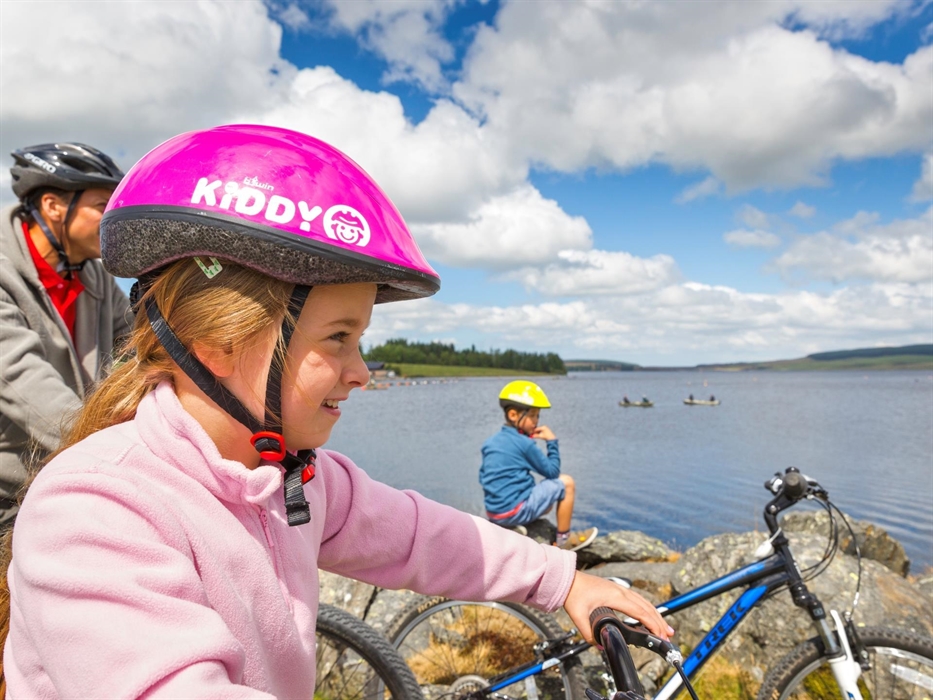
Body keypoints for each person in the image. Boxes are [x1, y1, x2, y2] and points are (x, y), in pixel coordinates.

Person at [0, 125, 671, 696]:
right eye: (337, 339)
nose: (361, 373)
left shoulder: (287, 474)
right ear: (216, 340)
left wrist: (563, 582)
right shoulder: (93, 513)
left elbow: (416, 532)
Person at [0, 143, 131, 525]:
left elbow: (143, 345)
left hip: (60, 472)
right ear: (54, 206)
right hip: (8, 487)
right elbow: (19, 374)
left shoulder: (94, 275)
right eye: (101, 207)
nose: (112, 220)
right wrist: (107, 450)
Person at [480, 380, 598, 551]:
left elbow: (485, 477)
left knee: (545, 501)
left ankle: (510, 527)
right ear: (513, 415)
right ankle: (564, 541)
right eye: (533, 415)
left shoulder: (490, 443)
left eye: (538, 416)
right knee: (567, 483)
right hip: (514, 511)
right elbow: (552, 472)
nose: (536, 421)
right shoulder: (524, 444)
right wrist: (551, 441)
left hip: (495, 514)